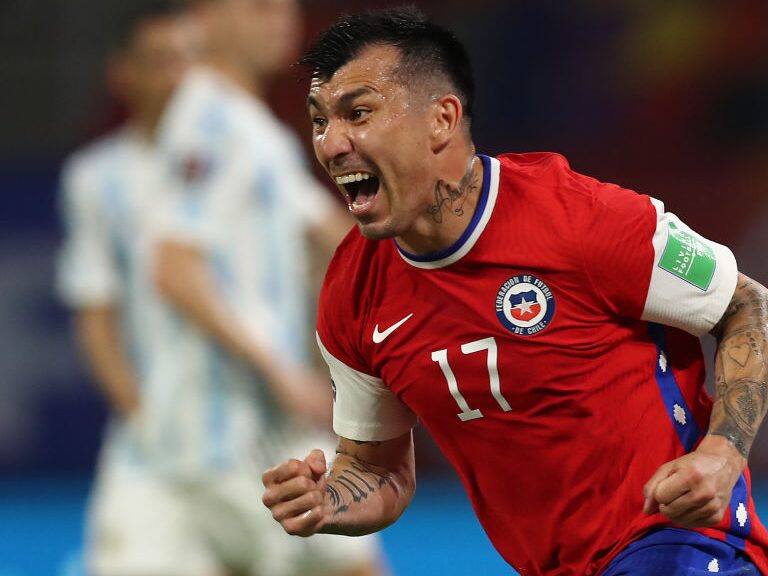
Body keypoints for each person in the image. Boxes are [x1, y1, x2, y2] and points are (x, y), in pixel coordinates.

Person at [261, 6, 768, 576]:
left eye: (358, 113)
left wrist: (722, 453)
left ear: (442, 119)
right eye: (319, 121)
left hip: (679, 546)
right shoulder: (352, 295)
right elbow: (378, 469)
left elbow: (746, 304)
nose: (331, 144)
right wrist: (328, 498)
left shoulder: (581, 219)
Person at [58, 1, 383, 575]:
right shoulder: (209, 120)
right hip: (197, 443)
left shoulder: (249, 126)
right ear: (203, 18)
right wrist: (283, 371)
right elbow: (175, 266)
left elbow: (331, 241)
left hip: (263, 428)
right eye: (259, 5)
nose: (281, 18)